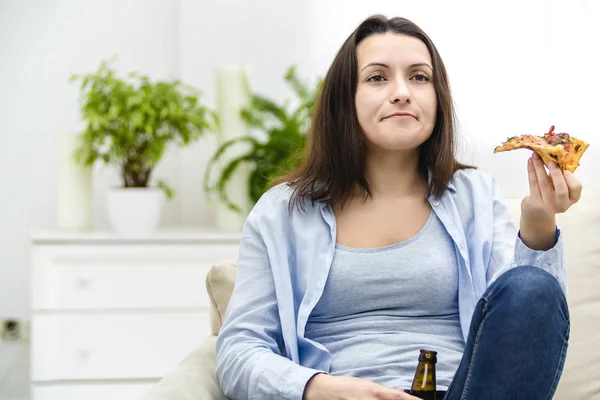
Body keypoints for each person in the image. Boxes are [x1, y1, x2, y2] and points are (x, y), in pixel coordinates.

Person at [215, 14, 581, 400]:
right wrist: (317, 388)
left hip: (463, 392)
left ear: (437, 98)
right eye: (377, 78)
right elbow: (238, 351)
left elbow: (525, 326)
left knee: (533, 287)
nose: (402, 92)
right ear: (344, 99)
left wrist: (539, 225)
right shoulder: (281, 213)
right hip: (340, 394)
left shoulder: (475, 195)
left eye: (420, 77)